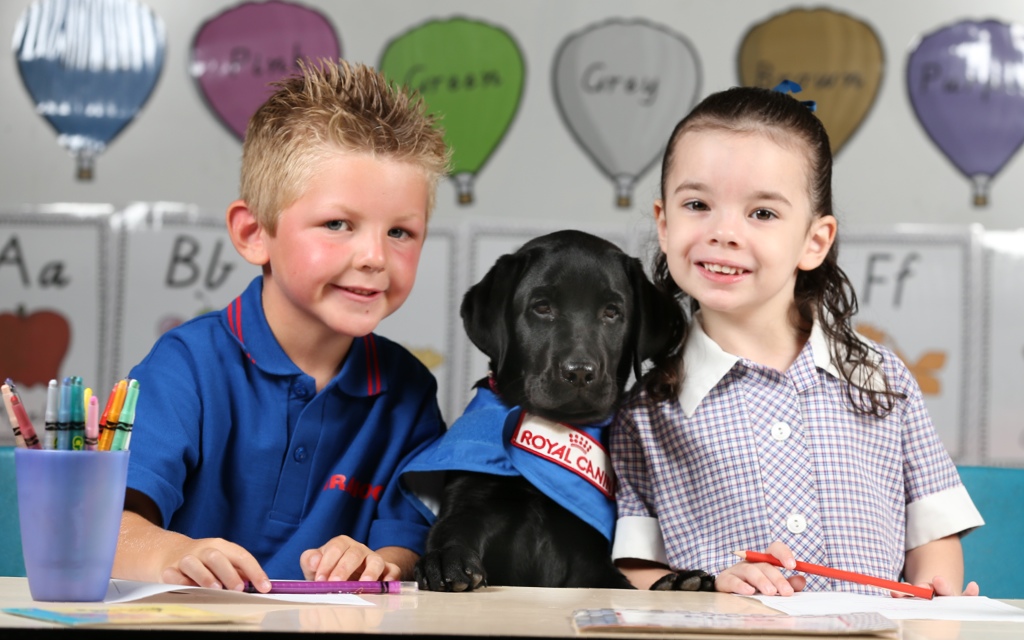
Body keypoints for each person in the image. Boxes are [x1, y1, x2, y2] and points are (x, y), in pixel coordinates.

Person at [609, 83, 985, 598]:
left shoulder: (884, 379)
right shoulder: (646, 411)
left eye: (762, 213)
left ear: (814, 241)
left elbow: (932, 532)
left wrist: (937, 602)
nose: (724, 232)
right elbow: (636, 566)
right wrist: (710, 587)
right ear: (664, 223)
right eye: (697, 204)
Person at [112, 59, 450, 592]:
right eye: (338, 224)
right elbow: (110, 530)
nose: (374, 257)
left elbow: (407, 541)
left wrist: (377, 562)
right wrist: (176, 553)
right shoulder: (184, 368)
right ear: (253, 234)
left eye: (401, 232)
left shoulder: (409, 392)